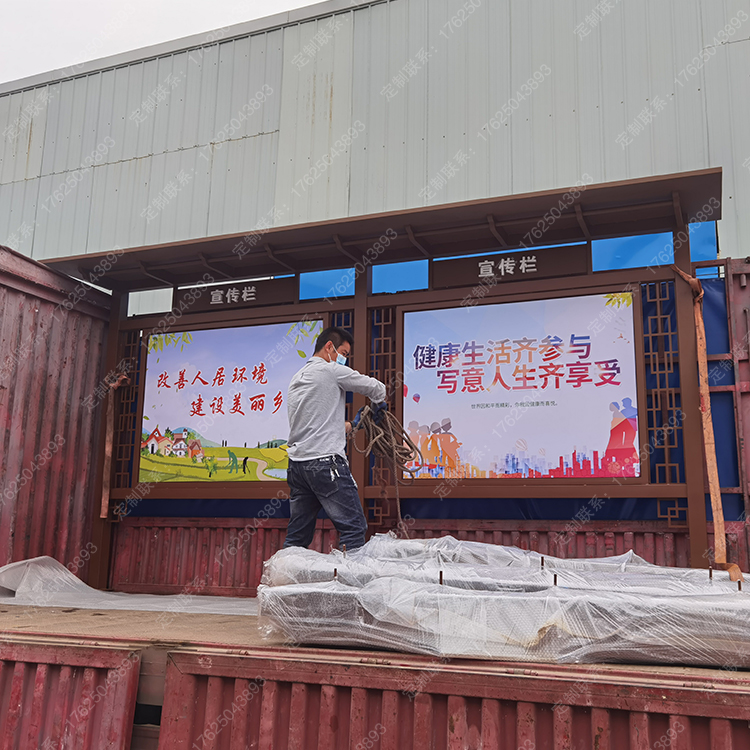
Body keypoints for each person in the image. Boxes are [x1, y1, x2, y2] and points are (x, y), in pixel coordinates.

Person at [283, 326, 387, 550]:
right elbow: (375, 387)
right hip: (326, 464)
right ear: (329, 347)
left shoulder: (297, 378)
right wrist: (379, 403)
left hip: (298, 466)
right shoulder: (330, 370)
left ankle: (281, 572)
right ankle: (348, 573)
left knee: (297, 537)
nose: (344, 359)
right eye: (344, 353)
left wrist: (353, 424)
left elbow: (315, 426)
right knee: (354, 527)